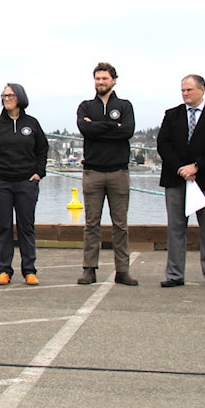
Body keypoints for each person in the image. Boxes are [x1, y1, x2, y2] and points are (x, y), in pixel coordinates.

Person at [156, 75, 205, 289]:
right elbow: (163, 144)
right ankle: (175, 274)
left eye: (189, 90)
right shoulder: (172, 115)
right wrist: (181, 168)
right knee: (176, 229)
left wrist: (196, 166)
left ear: (202, 89)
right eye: (183, 90)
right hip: (175, 179)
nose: (185, 94)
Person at [0, 83, 49, 286]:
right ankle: (4, 270)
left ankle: (29, 270)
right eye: (4, 95)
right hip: (0, 183)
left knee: (26, 227)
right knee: (3, 227)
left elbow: (42, 149)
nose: (6, 98)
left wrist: (39, 173)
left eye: (10, 95)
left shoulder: (32, 123)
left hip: (26, 183)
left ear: (20, 97)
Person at [76, 62, 138, 286]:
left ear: (114, 80)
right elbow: (85, 129)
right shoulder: (85, 106)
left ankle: (123, 270)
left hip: (118, 172)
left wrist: (99, 127)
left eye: (105, 78)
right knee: (91, 224)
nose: (100, 82)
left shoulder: (125, 105)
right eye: (97, 78)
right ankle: (89, 269)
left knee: (120, 225)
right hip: (93, 172)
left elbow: (127, 130)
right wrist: (113, 126)